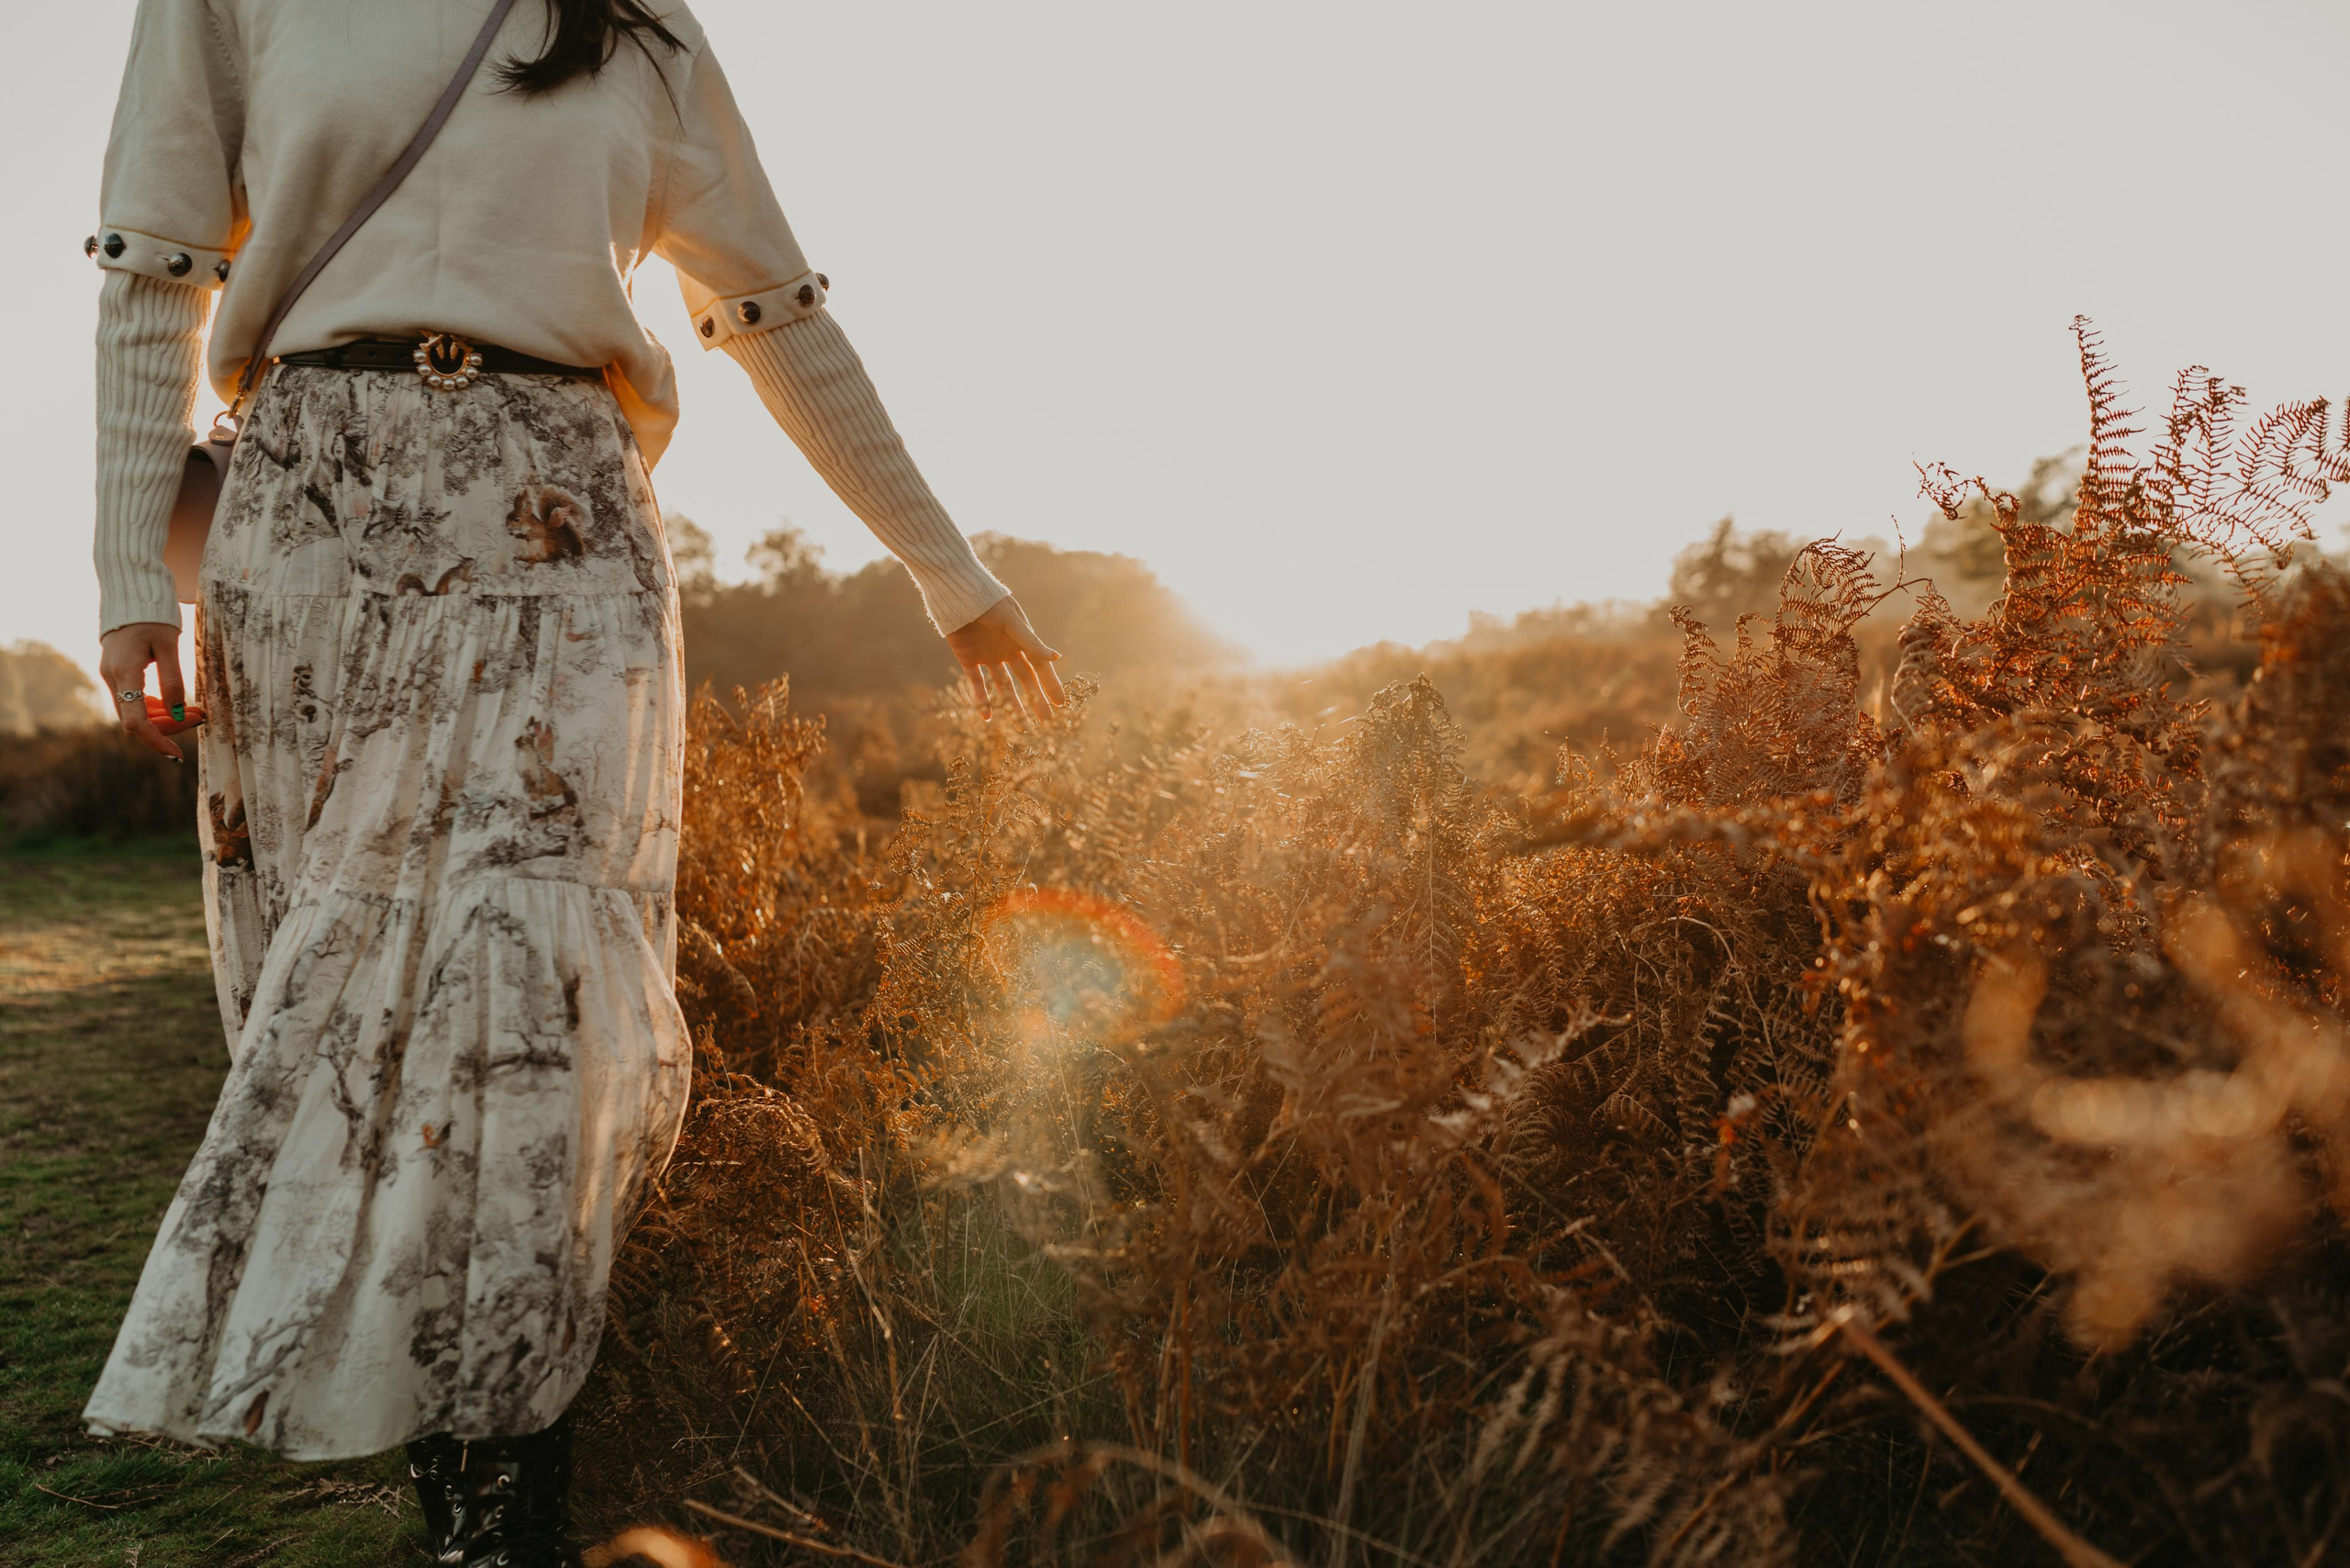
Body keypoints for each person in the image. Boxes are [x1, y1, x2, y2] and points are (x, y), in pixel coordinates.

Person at [82, 2, 1065, 1562]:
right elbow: (153, 267)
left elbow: (775, 311)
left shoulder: (638, 25)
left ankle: (505, 1485)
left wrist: (948, 571)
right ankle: (453, 1465)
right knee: (347, 1007)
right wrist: (130, 561)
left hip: (564, 516)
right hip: (313, 518)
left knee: (533, 994)